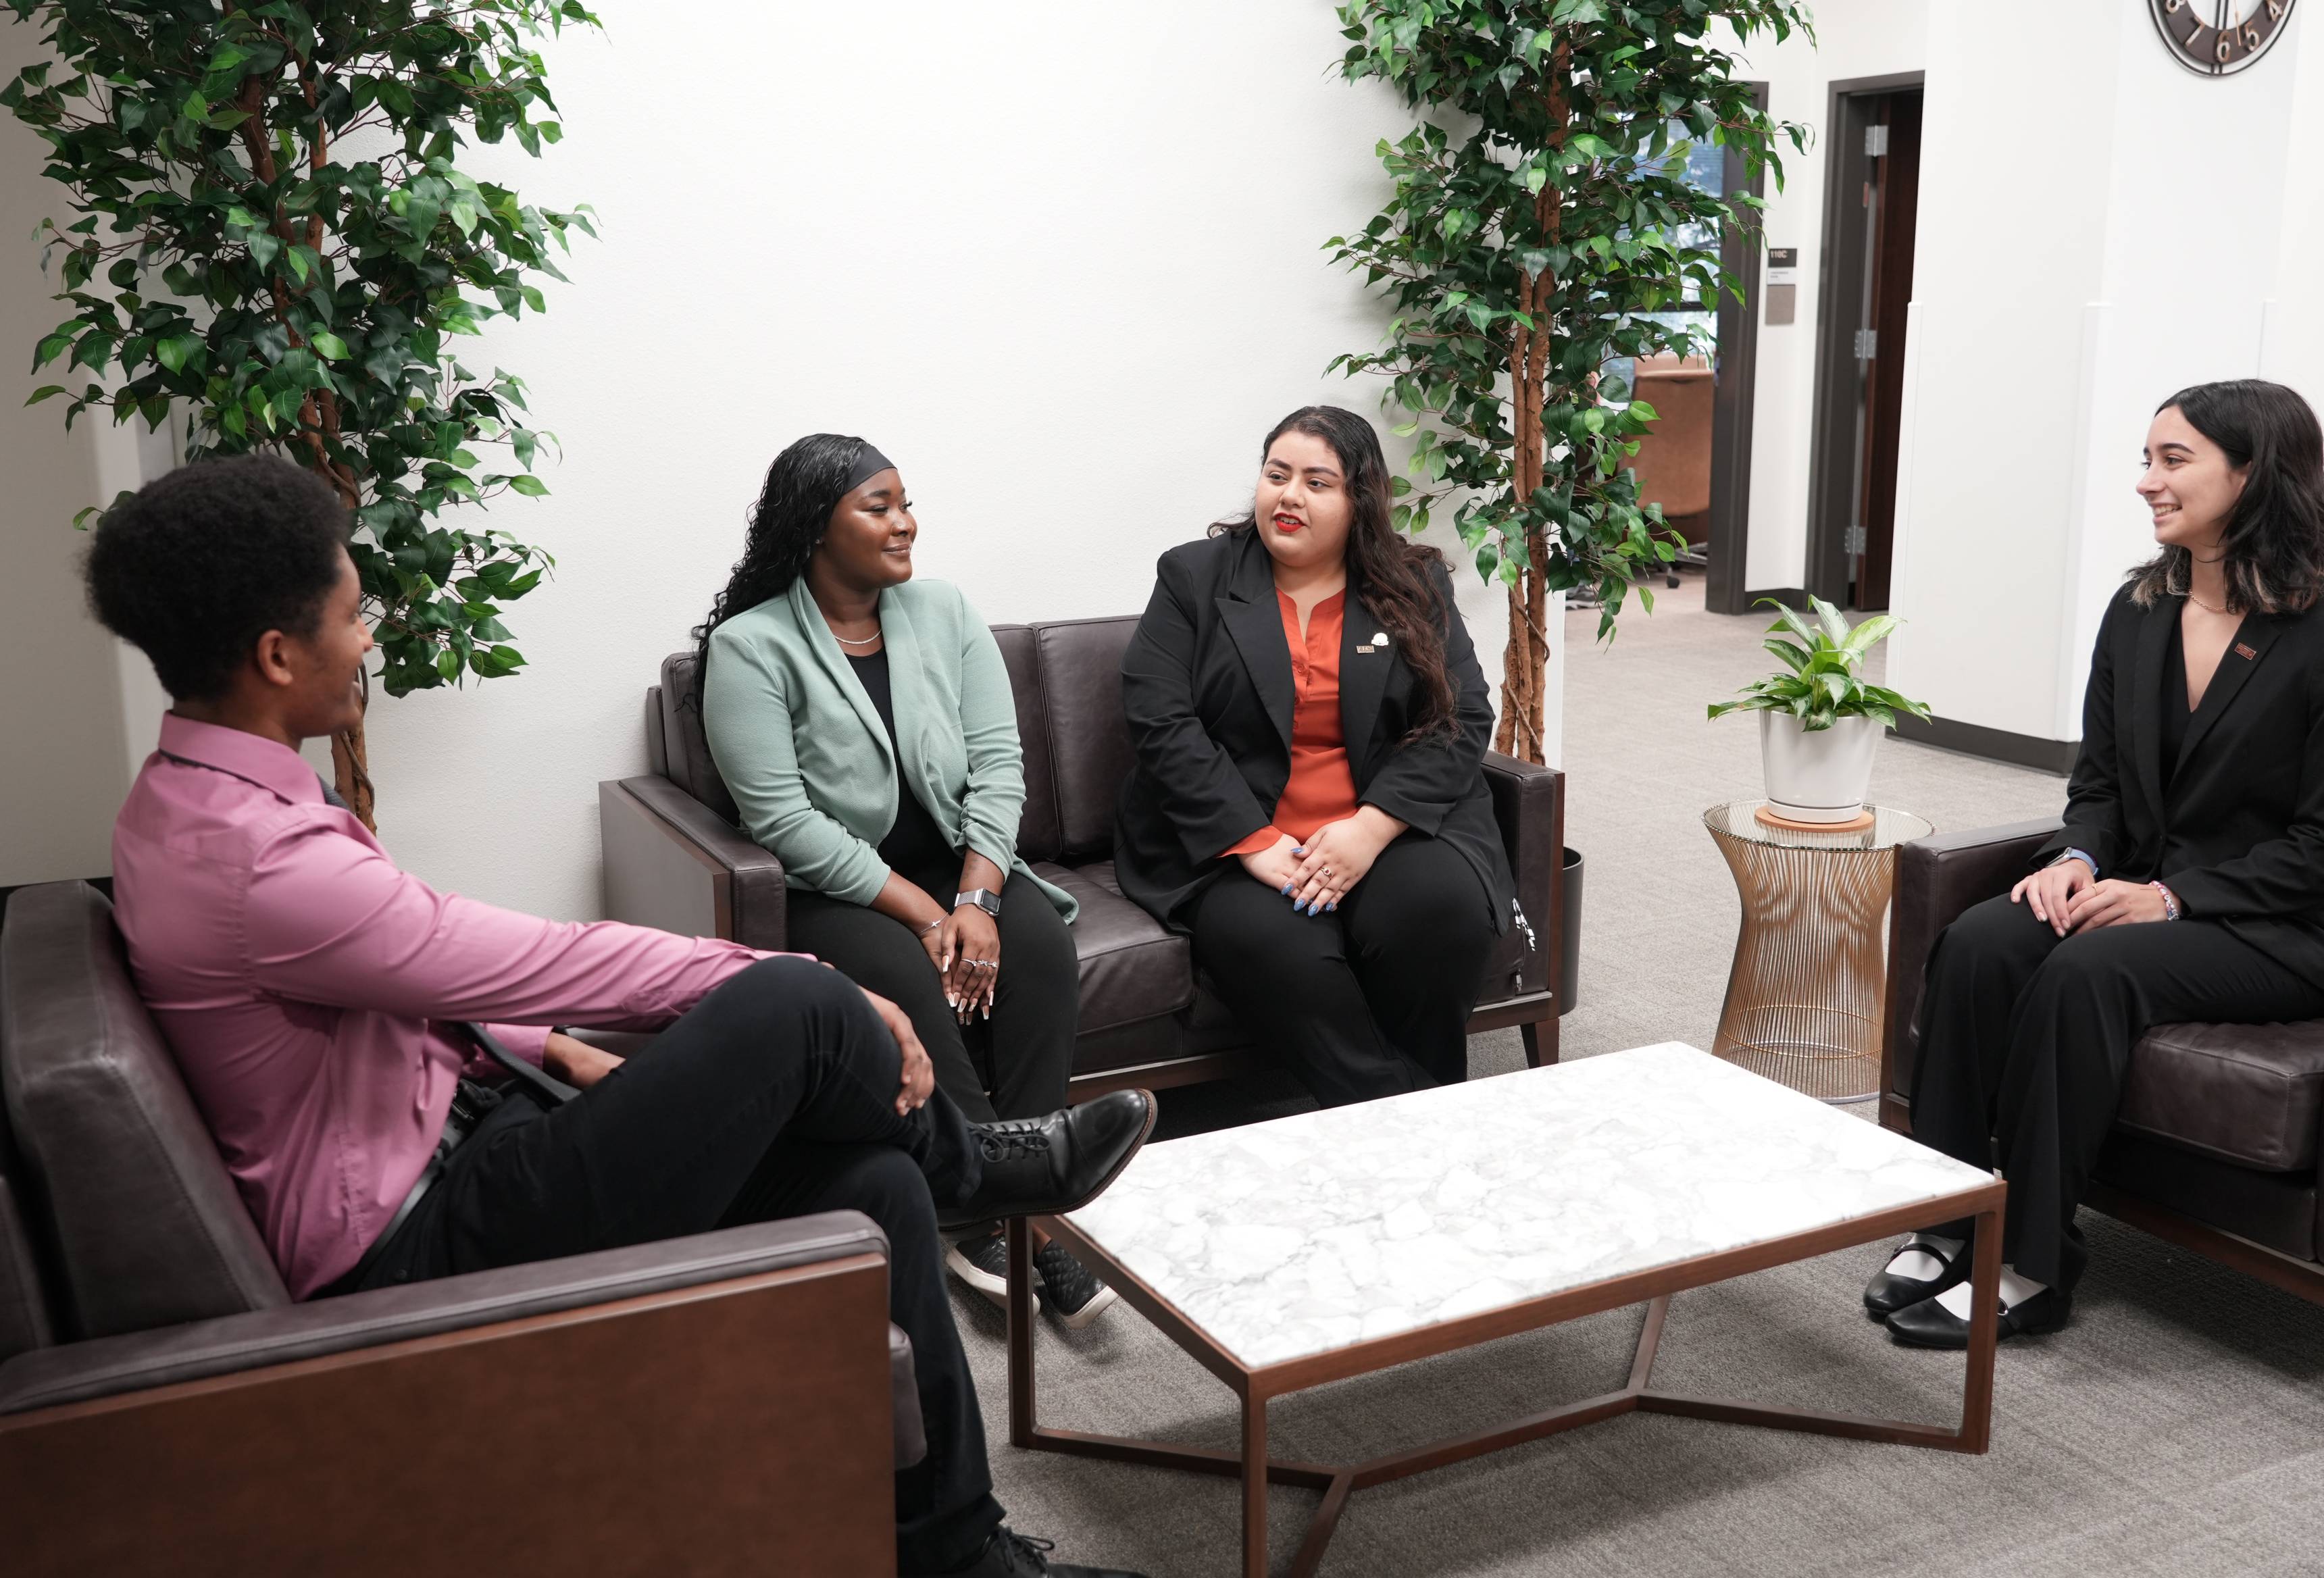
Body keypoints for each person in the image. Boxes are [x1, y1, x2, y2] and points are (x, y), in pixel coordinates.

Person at [87, 454, 1153, 1578]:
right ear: (275, 654)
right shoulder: (260, 859)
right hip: (417, 1238)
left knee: (877, 1192)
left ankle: (961, 1558)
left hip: (472, 1142)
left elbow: (397, 988)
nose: (368, 642)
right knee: (794, 994)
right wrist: (822, 990)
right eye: (355, 616)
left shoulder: (197, 805)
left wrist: (559, 1052)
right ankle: (981, 1171)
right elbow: (520, 957)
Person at [1868, 379, 2324, 1349]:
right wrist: (2081, 855)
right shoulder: (2138, 609)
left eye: (2172, 460)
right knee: (1981, 941)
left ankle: (2038, 1262)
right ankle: (1948, 1218)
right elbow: (2095, 776)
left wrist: (2173, 896)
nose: (2147, 482)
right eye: (2147, 459)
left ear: (2253, 472)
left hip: (2286, 923)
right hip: (2137, 881)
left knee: (2087, 970)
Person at [694, 436, 1107, 1328]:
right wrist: (926, 913)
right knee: (919, 978)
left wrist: (979, 898)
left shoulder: (945, 611)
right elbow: (784, 823)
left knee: (1037, 950)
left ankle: (1013, 1208)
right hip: (842, 884)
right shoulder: (750, 647)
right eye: (876, 506)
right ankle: (999, 1208)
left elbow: (1000, 762)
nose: (904, 522)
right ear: (815, 526)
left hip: (962, 867)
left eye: (904, 502)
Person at [1114, 405, 1514, 1106]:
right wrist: (1252, 841)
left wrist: (1371, 827)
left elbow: (1463, 715)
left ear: (1360, 501)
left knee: (1434, 912)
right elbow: (1161, 720)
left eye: (1317, 482)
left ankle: (1416, 1114)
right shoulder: (1194, 578)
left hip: (1387, 827)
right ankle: (1419, 1121)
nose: (1289, 495)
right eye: (1277, 475)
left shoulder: (1413, 583)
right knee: (1276, 945)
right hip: (1243, 843)